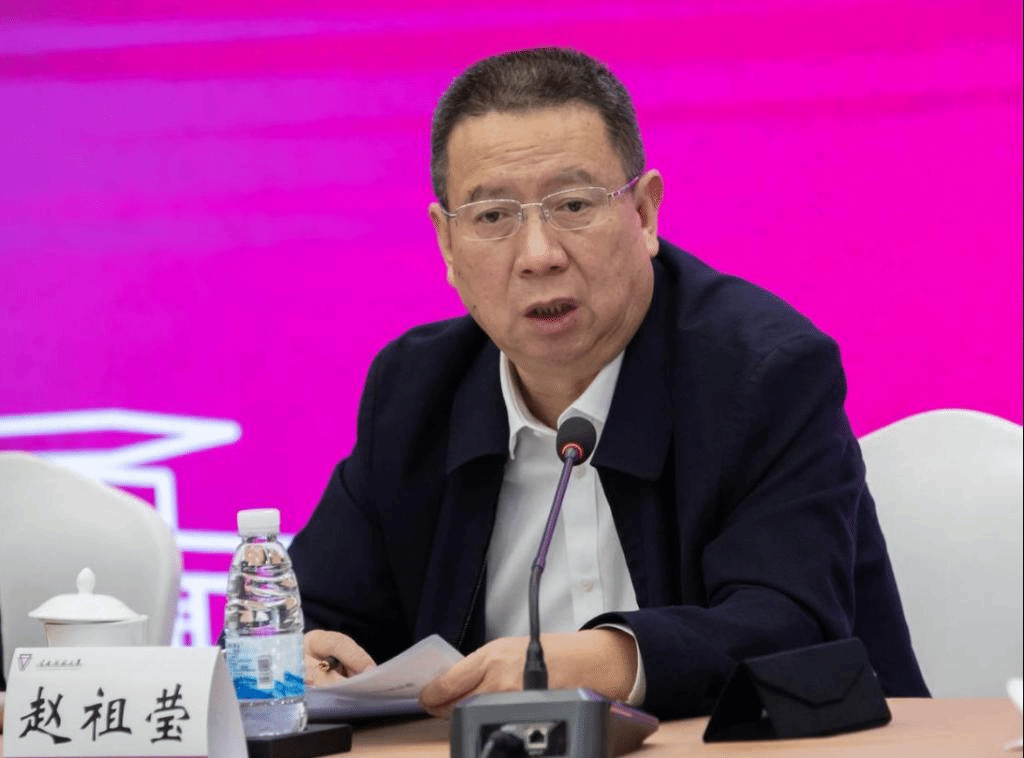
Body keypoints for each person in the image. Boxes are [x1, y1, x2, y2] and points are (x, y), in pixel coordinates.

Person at [288, 47, 929, 720]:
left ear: (644, 213)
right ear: (447, 244)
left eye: (572, 204)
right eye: (493, 217)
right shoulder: (415, 392)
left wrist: (605, 662)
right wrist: (299, 652)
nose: (538, 256)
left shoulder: (764, 374)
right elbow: (316, 612)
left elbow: (793, 628)